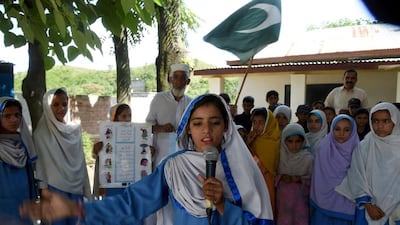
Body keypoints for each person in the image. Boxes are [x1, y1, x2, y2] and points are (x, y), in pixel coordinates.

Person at [20, 94, 274, 225]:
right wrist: (77, 208)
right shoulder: (174, 167)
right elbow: (132, 203)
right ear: (187, 129)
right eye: (198, 124)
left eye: (214, 123)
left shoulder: (241, 170)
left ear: (226, 128)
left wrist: (221, 205)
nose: (206, 131)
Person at [33, 88, 92, 225]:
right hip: (54, 190)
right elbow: (40, 165)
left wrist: (86, 188)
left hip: (76, 188)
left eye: (64, 104)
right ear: (47, 107)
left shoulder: (74, 130)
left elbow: (81, 162)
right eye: (56, 104)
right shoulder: (41, 134)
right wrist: (44, 189)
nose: (61, 108)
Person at [336, 102, 400, 225]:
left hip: (396, 210)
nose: (380, 125)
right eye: (375, 121)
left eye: (386, 121)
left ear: (395, 121)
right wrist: (368, 205)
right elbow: (356, 175)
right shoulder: (364, 147)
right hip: (368, 209)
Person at [310, 114, 360, 225]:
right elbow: (319, 179)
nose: (341, 134)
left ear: (353, 131)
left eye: (346, 130)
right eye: (337, 129)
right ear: (331, 129)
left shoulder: (359, 151)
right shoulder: (323, 148)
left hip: (348, 203)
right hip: (323, 205)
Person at [0, 97, 37, 225]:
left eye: (17, 115)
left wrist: (33, 200)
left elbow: (30, 176)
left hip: (24, 205)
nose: (14, 120)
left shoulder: (24, 144)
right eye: (7, 116)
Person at [146, 63, 192, 166]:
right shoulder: (159, 99)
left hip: (183, 156)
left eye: (182, 78)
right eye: (176, 77)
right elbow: (147, 128)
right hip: (160, 154)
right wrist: (161, 128)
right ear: (170, 79)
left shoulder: (191, 103)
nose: (179, 81)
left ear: (187, 81)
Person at [92, 103, 132, 198]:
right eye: (124, 116)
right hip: (112, 183)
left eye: (130, 116)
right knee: (112, 207)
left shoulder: (134, 136)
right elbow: (98, 157)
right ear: (115, 118)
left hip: (129, 180)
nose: (128, 119)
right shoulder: (106, 136)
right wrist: (96, 151)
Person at [276, 123, 313, 225]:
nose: (294, 145)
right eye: (290, 141)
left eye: (298, 141)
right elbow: (272, 177)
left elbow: (314, 182)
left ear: (303, 141)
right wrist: (282, 177)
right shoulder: (279, 157)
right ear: (284, 142)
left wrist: (300, 179)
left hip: (301, 205)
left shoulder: (308, 159)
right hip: (283, 205)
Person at [246, 107, 280, 217]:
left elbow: (267, 165)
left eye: (260, 122)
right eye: (254, 122)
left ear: (268, 123)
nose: (256, 126)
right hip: (252, 180)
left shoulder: (274, 141)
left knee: (266, 209)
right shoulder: (252, 138)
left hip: (267, 181)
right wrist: (247, 144)